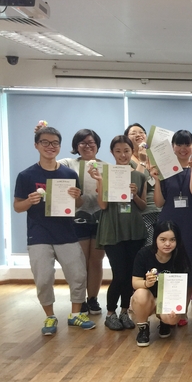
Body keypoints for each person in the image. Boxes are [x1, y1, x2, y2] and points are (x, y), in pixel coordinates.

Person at [14, 126, 95, 335]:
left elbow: (77, 204)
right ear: (36, 145)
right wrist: (29, 201)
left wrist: (77, 196)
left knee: (78, 275)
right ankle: (50, 316)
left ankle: (75, 314)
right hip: (39, 234)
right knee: (43, 279)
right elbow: (17, 206)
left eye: (55, 143)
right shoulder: (26, 175)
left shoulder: (69, 174)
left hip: (66, 232)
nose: (50, 146)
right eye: (45, 142)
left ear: (60, 146)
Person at [88, 135, 147, 331]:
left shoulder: (139, 176)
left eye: (126, 151)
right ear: (112, 152)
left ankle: (124, 311)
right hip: (112, 229)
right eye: (118, 151)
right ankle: (110, 313)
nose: (123, 155)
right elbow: (103, 205)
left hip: (134, 230)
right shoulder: (105, 174)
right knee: (119, 274)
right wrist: (100, 181)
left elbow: (143, 206)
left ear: (132, 152)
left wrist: (135, 195)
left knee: (130, 275)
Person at [151, 130, 192, 325]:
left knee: (188, 266)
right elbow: (159, 202)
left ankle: (182, 312)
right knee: (167, 265)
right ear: (172, 147)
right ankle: (166, 310)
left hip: (190, 224)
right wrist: (156, 179)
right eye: (179, 144)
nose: (183, 148)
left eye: (187, 145)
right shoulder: (165, 170)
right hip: (168, 222)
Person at [58, 128, 105, 315]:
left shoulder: (106, 167)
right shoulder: (68, 163)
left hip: (101, 217)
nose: (87, 146)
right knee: (80, 262)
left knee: (96, 261)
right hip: (78, 217)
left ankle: (93, 299)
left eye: (91, 142)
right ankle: (80, 300)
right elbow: (49, 164)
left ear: (97, 145)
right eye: (83, 143)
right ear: (76, 146)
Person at [131, 221, 192, 346]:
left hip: (167, 300)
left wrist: (178, 309)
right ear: (155, 239)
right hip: (148, 299)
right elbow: (135, 283)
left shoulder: (180, 256)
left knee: (172, 319)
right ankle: (143, 328)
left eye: (172, 240)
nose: (168, 244)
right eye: (163, 239)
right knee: (140, 294)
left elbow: (183, 286)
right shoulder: (144, 254)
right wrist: (146, 283)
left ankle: (165, 323)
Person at [126, 123, 161, 246]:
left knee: (162, 246)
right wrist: (142, 161)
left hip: (161, 208)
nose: (138, 135)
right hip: (143, 211)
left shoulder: (155, 157)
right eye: (133, 133)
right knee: (149, 247)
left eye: (141, 132)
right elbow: (136, 183)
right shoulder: (127, 160)